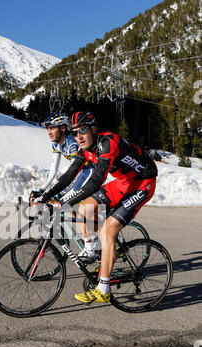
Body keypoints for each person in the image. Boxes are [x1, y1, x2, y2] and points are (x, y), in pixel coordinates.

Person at [37, 111, 158, 304]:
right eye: (75, 133)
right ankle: (92, 250)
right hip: (123, 181)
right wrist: (46, 195)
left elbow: (94, 183)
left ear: (94, 129)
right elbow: (68, 176)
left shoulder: (108, 143)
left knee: (108, 231)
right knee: (86, 209)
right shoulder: (85, 149)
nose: (78, 137)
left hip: (143, 182)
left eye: (83, 131)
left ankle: (103, 289)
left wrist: (63, 202)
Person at [30, 112, 95, 203]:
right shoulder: (56, 144)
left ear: (63, 128)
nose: (49, 132)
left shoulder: (72, 143)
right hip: (80, 172)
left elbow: (74, 172)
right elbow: (53, 170)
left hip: (90, 172)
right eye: (47, 129)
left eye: (52, 128)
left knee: (70, 201)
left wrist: (60, 194)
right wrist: (42, 190)